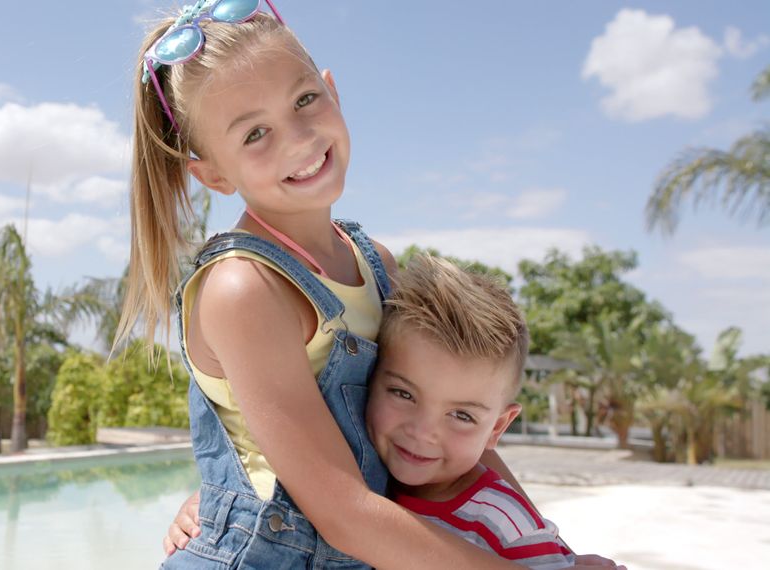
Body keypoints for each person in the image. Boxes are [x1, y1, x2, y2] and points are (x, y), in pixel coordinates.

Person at [118, 1, 620, 568]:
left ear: (333, 90)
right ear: (212, 172)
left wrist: (556, 556)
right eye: (255, 133)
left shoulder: (375, 262)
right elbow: (342, 510)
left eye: (305, 99)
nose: (299, 138)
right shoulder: (245, 288)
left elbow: (465, 448)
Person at [366, 254, 575, 568]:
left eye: (462, 415)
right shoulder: (364, 478)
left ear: (497, 428)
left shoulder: (506, 523)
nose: (422, 432)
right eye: (403, 394)